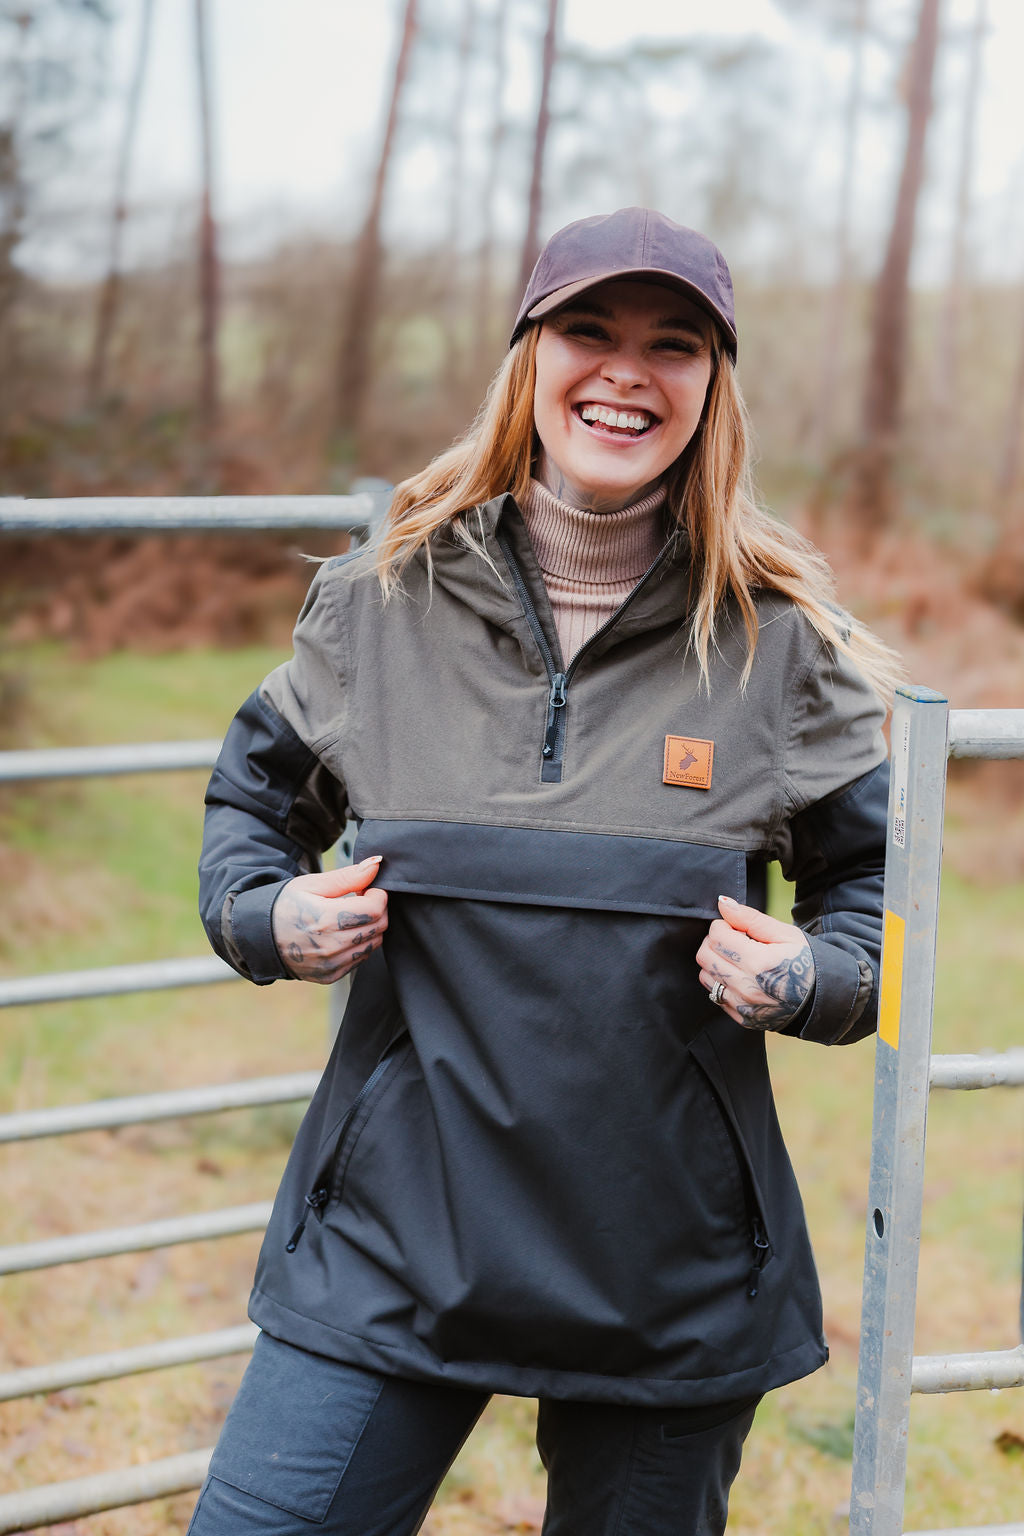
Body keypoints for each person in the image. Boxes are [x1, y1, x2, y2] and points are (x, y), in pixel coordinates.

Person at [191, 206, 902, 1536]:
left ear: (713, 389)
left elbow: (880, 924)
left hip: (668, 1267)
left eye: (673, 343)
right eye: (590, 329)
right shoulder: (375, 609)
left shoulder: (784, 653)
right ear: (528, 355)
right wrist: (269, 917)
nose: (626, 369)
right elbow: (250, 808)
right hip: (394, 1243)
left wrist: (809, 974)